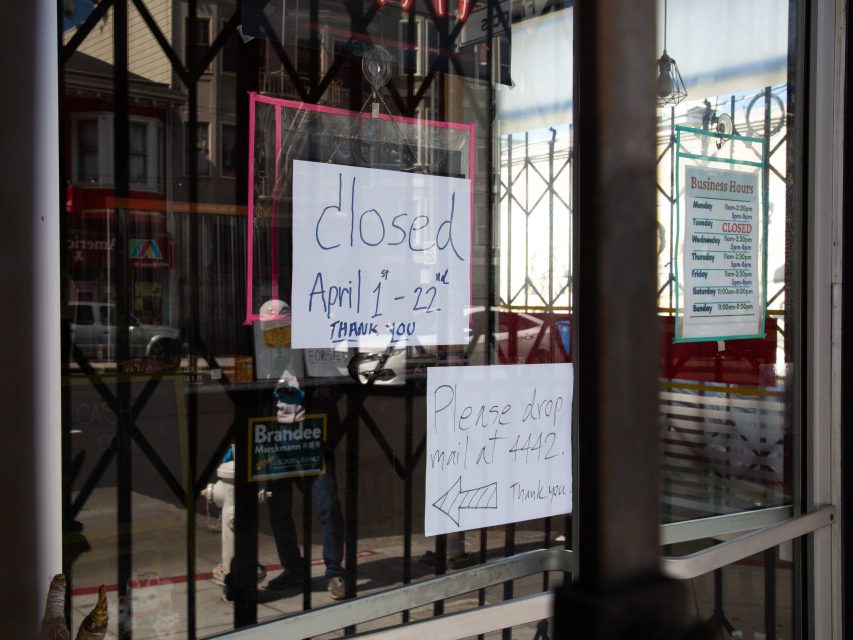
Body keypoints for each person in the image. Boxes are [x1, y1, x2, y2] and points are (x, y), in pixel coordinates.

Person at [265, 370, 346, 600]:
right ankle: (294, 567)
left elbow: (336, 381)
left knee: (328, 504)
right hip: (278, 433)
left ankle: (334, 571)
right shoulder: (270, 357)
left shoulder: (311, 355)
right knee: (278, 506)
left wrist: (311, 400)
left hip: (313, 432)